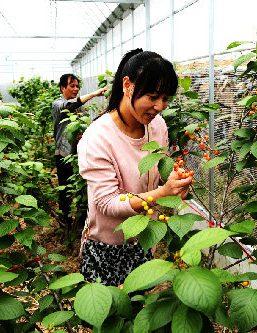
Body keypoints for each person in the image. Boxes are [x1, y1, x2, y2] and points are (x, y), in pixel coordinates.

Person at [77, 49, 192, 286]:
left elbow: (160, 168)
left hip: (144, 239)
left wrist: (174, 180)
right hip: (106, 249)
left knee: (137, 310)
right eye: (152, 96)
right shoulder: (97, 138)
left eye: (166, 98)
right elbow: (107, 203)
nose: (160, 106)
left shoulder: (157, 125)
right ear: (127, 85)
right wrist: (162, 193)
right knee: (107, 316)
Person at [52, 74, 106, 231]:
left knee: (83, 189)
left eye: (77, 86)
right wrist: (95, 94)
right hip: (64, 154)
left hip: (79, 154)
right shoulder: (58, 104)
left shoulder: (79, 107)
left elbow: (85, 125)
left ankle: (81, 224)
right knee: (66, 191)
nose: (76, 89)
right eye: (72, 86)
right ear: (62, 88)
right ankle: (65, 224)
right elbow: (69, 106)